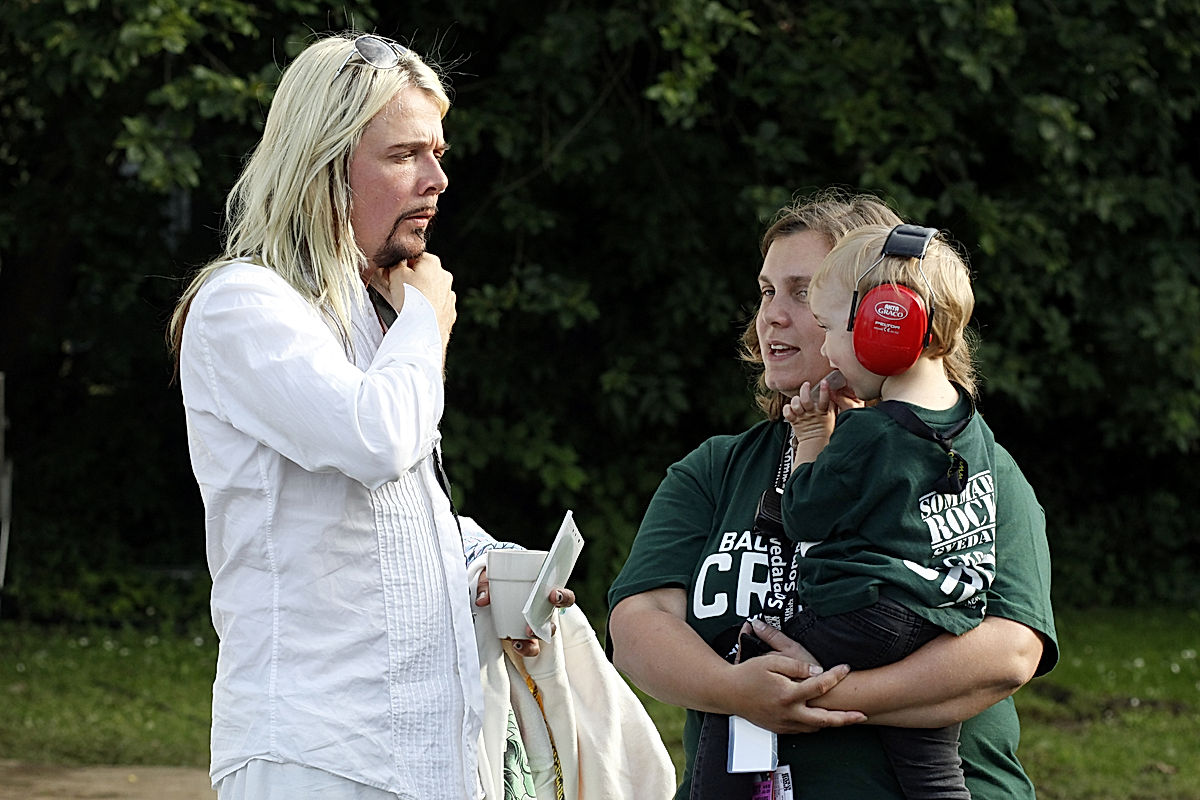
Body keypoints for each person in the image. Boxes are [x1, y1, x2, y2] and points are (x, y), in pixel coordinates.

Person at [168, 32, 574, 800]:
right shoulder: (243, 305)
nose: (438, 178)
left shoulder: (369, 316)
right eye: (404, 155)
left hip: (415, 761)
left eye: (438, 152)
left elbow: (382, 521)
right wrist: (428, 319)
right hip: (316, 758)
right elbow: (376, 439)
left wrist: (484, 567)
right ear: (325, 167)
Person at [607, 189, 1058, 800]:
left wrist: (813, 696)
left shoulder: (970, 464)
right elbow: (640, 625)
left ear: (887, 314)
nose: (773, 315)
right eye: (767, 292)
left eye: (804, 292)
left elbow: (1007, 651)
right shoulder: (715, 468)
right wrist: (732, 689)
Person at [762, 222, 1001, 799]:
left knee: (746, 670)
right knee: (932, 769)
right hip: (942, 622)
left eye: (829, 330)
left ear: (885, 328)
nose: (825, 349)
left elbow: (805, 516)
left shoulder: (869, 431)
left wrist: (816, 433)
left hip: (867, 615)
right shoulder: (970, 425)